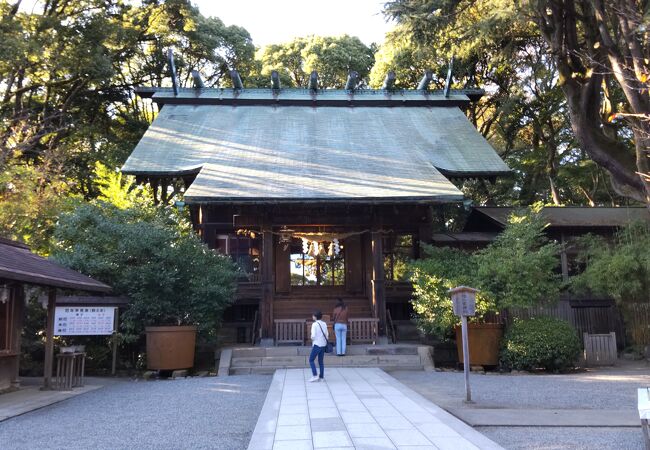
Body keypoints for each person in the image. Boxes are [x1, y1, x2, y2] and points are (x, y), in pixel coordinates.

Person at [309, 310, 328, 382]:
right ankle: (321, 377)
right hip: (323, 344)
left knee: (311, 360)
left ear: (315, 317)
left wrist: (312, 338)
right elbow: (327, 334)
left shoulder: (314, 324)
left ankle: (315, 375)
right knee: (321, 361)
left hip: (317, 344)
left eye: (313, 315)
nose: (312, 316)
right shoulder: (324, 324)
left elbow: (313, 335)